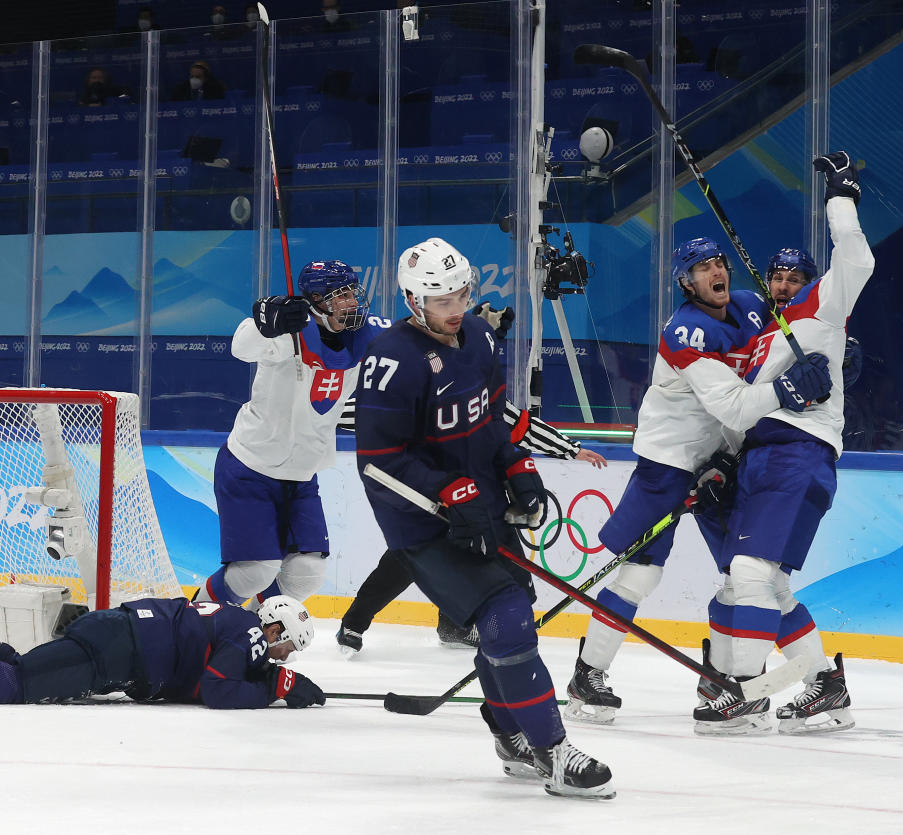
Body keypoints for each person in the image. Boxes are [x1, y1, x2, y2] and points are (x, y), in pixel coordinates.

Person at [354, 236, 614, 799]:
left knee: (511, 618)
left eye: (462, 294)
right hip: (424, 524)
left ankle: (507, 734)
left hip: (482, 503)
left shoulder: (478, 335)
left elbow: (492, 418)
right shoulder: (389, 359)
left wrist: (516, 467)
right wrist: (448, 494)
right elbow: (379, 463)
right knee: (507, 621)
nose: (455, 308)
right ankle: (553, 751)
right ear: (411, 299)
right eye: (441, 299)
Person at [562, 230, 833, 725]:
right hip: (669, 462)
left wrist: (843, 351)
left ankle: (801, 680)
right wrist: (790, 389)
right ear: (686, 283)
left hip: (725, 462)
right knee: (643, 572)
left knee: (753, 576)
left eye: (719, 263)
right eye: (702, 268)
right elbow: (733, 402)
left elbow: (795, 328)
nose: (716, 272)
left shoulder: (752, 307)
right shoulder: (685, 332)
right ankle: (589, 672)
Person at [695, 151, 871, 735]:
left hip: (800, 450)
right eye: (779, 276)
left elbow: (860, 258)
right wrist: (724, 457)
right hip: (761, 455)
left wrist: (841, 195)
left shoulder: (824, 302)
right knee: (764, 580)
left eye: (797, 276)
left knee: (748, 569)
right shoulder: (762, 329)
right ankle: (823, 686)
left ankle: (743, 694)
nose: (786, 284)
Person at [336, 307, 609, 654]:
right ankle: (355, 621)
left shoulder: (470, 362)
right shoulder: (406, 371)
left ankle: (456, 627)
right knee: (408, 559)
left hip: (476, 483)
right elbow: (364, 421)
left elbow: (506, 419)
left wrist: (566, 449)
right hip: (431, 482)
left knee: (501, 570)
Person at [193, 260, 387, 609]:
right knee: (254, 572)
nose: (350, 302)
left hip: (300, 475)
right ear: (316, 299)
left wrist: (466, 328)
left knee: (307, 573)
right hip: (250, 467)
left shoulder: (365, 335)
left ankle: (253, 634)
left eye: (351, 293)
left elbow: (410, 339)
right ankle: (193, 625)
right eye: (339, 295)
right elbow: (242, 347)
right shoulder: (289, 332)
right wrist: (263, 322)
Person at [0, 594, 326, 710]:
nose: (283, 656)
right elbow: (219, 689)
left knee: (14, 663)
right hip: (121, 651)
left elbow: (204, 682)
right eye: (286, 644)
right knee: (12, 686)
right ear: (274, 625)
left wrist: (268, 681)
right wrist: (273, 690)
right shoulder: (248, 632)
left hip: (117, 636)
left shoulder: (238, 622)